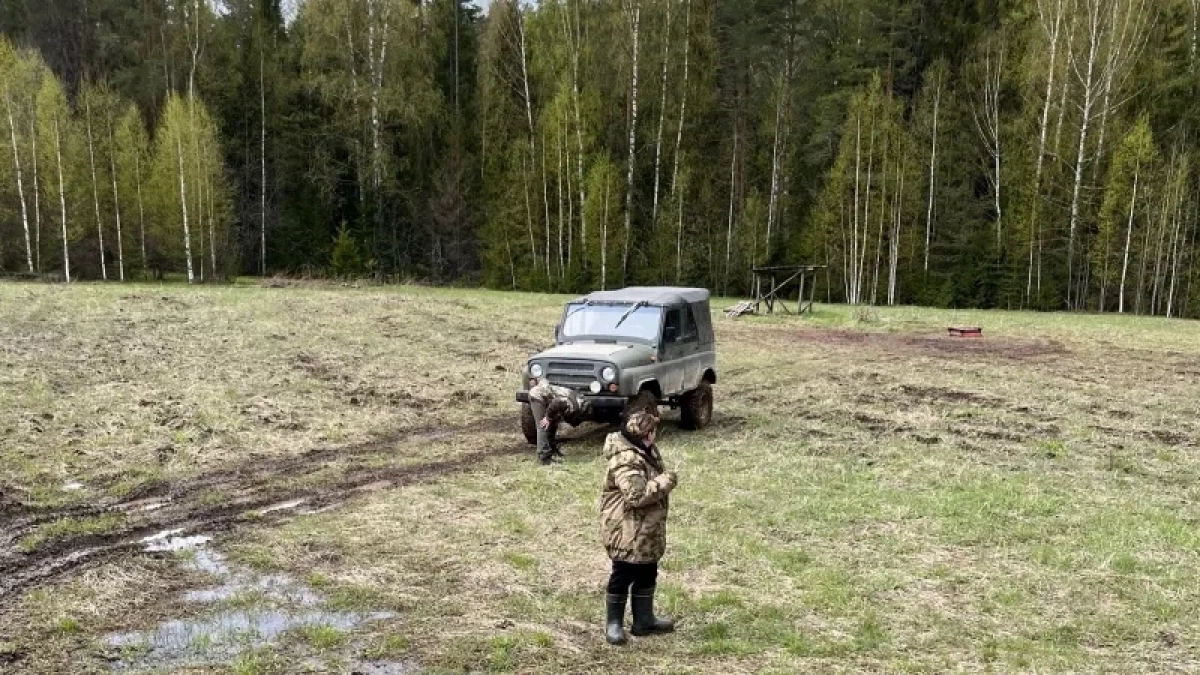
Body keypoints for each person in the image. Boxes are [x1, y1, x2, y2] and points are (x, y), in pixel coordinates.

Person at [599, 411, 678, 645]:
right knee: (622, 574)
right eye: (653, 431)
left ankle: (644, 620)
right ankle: (613, 624)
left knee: (647, 570)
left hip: (645, 528)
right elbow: (636, 495)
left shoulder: (645, 450)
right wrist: (667, 481)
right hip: (626, 529)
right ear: (646, 434)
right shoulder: (626, 459)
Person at [527, 379, 589, 464]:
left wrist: (551, 418)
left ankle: (552, 449)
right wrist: (547, 417)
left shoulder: (577, 400)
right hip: (537, 396)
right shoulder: (572, 404)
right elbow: (556, 402)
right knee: (543, 425)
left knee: (553, 423)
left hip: (547, 397)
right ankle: (544, 457)